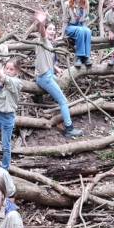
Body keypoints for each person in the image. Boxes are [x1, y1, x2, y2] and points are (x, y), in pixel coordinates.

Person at [32, 11, 84, 139]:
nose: (52, 31)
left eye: (54, 30)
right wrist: (41, 22)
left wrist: (56, 68)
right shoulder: (43, 40)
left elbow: (45, 59)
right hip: (45, 77)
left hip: (47, 75)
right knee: (63, 101)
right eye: (49, 29)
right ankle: (69, 128)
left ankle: (38, 97)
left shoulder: (48, 44)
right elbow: (42, 33)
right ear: (45, 30)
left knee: (61, 83)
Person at [63, 0, 93, 68]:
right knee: (81, 30)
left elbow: (85, 18)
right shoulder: (67, 4)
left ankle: (86, 57)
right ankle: (79, 57)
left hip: (81, 26)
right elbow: (65, 20)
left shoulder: (86, 3)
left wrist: (85, 28)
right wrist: (62, 34)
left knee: (87, 31)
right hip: (70, 27)